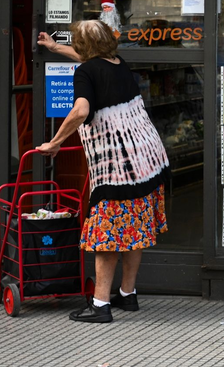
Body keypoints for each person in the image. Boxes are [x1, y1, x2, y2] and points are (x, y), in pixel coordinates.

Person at [36, 21, 170, 323]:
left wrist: (55, 142)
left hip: (117, 168)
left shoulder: (85, 72)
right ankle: (127, 294)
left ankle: (100, 304)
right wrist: (56, 48)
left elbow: (81, 111)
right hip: (148, 161)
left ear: (84, 46)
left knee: (106, 235)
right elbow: (91, 60)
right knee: (135, 229)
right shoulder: (118, 63)